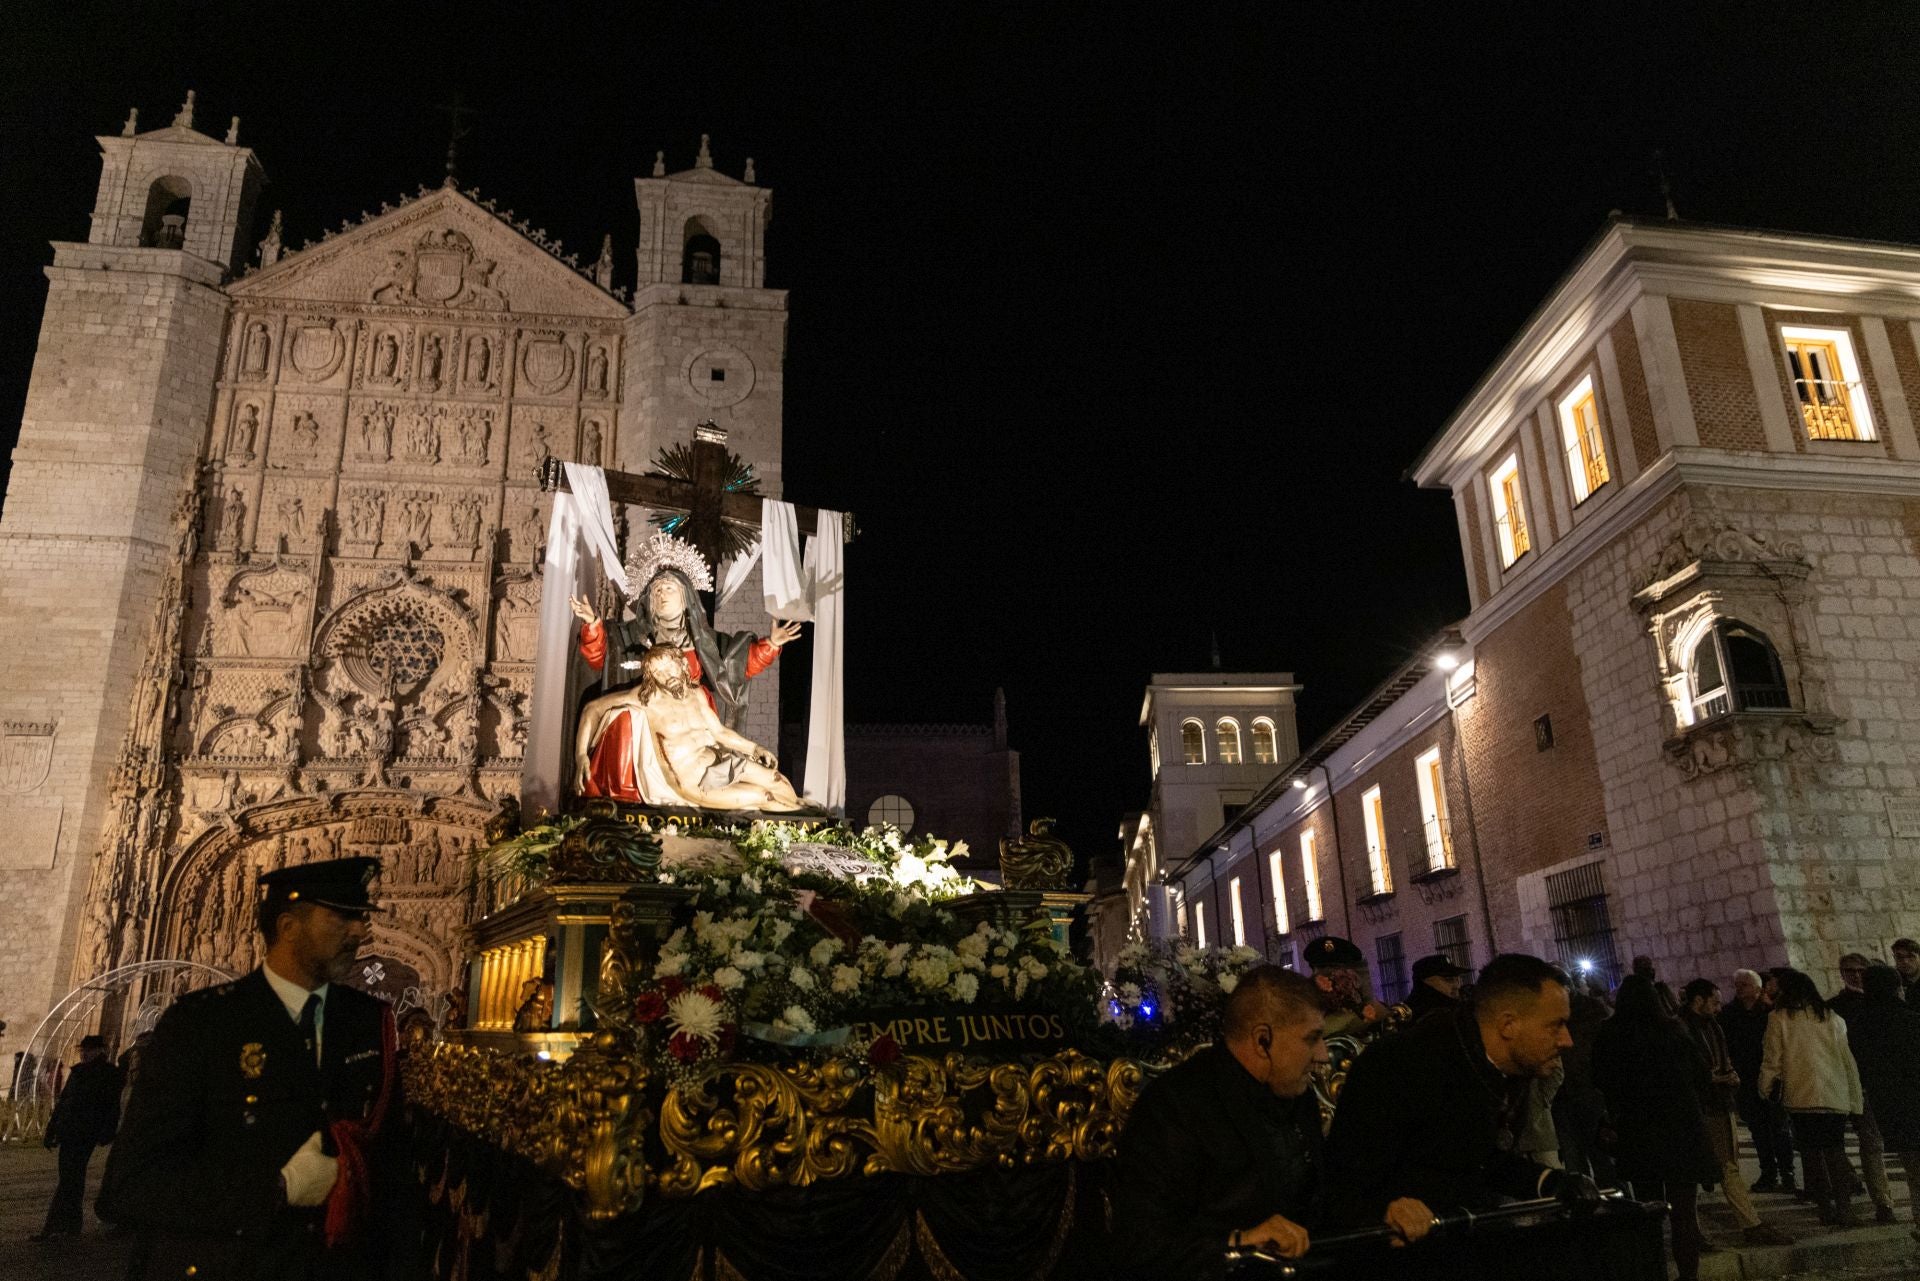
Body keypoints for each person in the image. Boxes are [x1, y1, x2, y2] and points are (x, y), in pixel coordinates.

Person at [98, 857, 410, 1279]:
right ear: (287, 927)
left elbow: (391, 1168)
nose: (360, 931)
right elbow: (131, 1185)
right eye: (342, 917)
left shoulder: (368, 1022)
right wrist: (278, 1190)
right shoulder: (202, 1024)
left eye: (360, 918)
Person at [1110, 966, 1431, 1279]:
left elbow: (1320, 1200)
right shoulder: (1174, 1108)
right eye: (1312, 1038)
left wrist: (1384, 1213)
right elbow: (1139, 1245)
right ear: (1263, 1040)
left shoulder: (1292, 1091)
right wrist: (1241, 1241)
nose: (1322, 1054)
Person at [1325, 953, 1601, 1226]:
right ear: (1508, 1025)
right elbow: (1351, 1181)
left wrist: (1548, 1182)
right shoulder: (1406, 1066)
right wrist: (1388, 1211)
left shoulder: (1495, 1062)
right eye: (1556, 1025)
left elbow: (1479, 1158)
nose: (1567, 1040)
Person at [569, 531, 800, 730]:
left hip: (692, 725)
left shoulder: (708, 642)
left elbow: (740, 664)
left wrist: (770, 644)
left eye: (669, 588)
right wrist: (592, 626)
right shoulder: (630, 636)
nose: (661, 594)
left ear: (685, 597)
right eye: (656, 591)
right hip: (644, 724)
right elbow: (601, 658)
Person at [1592, 975, 1722, 1281]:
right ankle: (1689, 1275)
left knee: (1649, 1211)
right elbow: (1702, 1075)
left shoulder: (1612, 1034)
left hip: (1639, 1133)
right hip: (1681, 1131)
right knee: (1683, 1214)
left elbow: (1599, 1078)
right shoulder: (1674, 1031)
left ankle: (1656, 1272)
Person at [575, 645, 808, 810]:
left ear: (682, 664)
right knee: (763, 796)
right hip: (692, 781)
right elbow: (592, 709)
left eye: (669, 667)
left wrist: (755, 749)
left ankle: (805, 815)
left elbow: (719, 733)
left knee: (777, 780)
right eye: (658, 673)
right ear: (652, 678)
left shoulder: (696, 694)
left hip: (719, 763)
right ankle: (797, 831)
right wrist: (581, 756)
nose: (667, 676)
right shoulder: (648, 699)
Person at [1677, 979, 1794, 1247]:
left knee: (1724, 1166)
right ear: (1698, 1001)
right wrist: (1712, 1079)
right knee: (1724, 1167)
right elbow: (1686, 1068)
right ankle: (1750, 1224)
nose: (1719, 1007)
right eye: (1714, 1002)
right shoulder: (1682, 1028)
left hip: (1720, 1103)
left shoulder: (1712, 1026)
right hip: (1705, 1106)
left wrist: (1729, 1076)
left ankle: (1733, 1225)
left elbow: (1720, 1058)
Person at [1759, 967, 1866, 1227]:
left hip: (1801, 1095)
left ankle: (1824, 1208)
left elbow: (1773, 1059)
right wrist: (1854, 1097)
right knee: (1835, 1152)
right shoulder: (1831, 1017)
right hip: (1834, 1093)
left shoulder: (1779, 1018)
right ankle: (1845, 1209)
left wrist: (1764, 1088)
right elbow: (1847, 1059)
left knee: (1811, 1154)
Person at [1844, 966, 1920, 1242]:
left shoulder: (1859, 1026)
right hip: (1914, 1104)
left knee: (1914, 1173)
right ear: (1896, 988)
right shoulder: (1910, 1022)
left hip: (1889, 1109)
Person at [31, 1034, 124, 1241]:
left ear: (100, 1051)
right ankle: (70, 1225)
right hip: (69, 1130)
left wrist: (106, 1132)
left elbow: (112, 1106)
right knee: (71, 1179)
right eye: (83, 1050)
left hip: (85, 1132)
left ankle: (54, 1227)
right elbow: (64, 1102)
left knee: (69, 1178)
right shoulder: (78, 1072)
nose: (84, 1053)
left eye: (88, 1050)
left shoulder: (108, 1074)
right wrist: (52, 1129)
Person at [1827, 952, 1895, 1221]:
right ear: (1842, 974)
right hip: (1845, 1082)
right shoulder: (1833, 1007)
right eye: (1849, 970)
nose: (1855, 975)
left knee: (1871, 1145)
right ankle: (1853, 1184)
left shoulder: (1879, 1003)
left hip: (1871, 1084)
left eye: (1860, 970)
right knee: (1840, 1145)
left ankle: (1883, 1201)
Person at [1720, 967, 1795, 1194]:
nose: (1739, 989)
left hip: (1771, 1078)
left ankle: (1787, 1172)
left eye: (1745, 985)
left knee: (1779, 1128)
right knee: (1758, 1129)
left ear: (1757, 988)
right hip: (1747, 1078)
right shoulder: (1729, 1014)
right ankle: (1768, 1172)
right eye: (1738, 985)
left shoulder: (1771, 1013)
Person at [1302, 935, 1386, 1039]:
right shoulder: (1306, 1015)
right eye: (1322, 968)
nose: (1330, 975)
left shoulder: (1376, 1013)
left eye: (1335, 968)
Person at [1404, 954, 1469, 1021]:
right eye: (1448, 980)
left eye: (1457, 980)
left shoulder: (1459, 1008)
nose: (1457, 986)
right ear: (1425, 982)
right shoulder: (1406, 1016)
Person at [1890, 938, 1919, 1006]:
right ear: (1895, 958)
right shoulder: (1892, 981)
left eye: (1911, 956)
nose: (1905, 961)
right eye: (1899, 957)